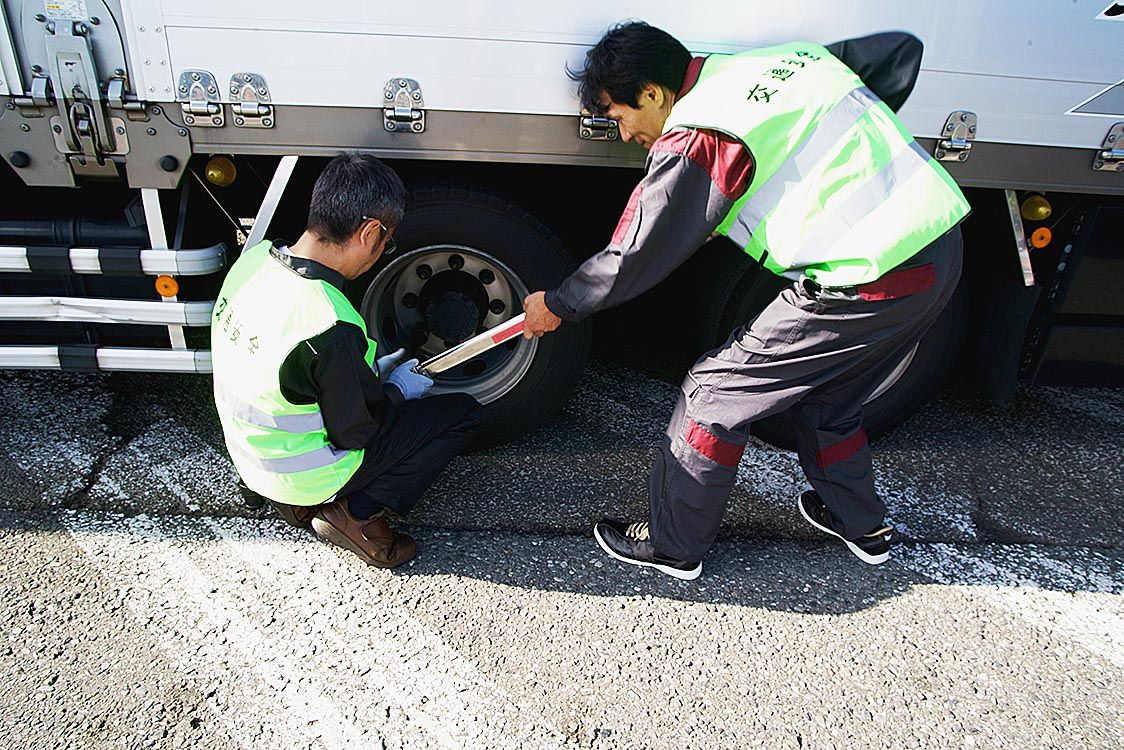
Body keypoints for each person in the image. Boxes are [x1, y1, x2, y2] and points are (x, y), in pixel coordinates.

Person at [523, 22, 969, 579]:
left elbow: (633, 254)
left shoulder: (701, 133)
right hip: (937, 247)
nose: (623, 133)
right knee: (829, 401)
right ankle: (862, 523)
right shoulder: (785, 62)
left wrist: (558, 304)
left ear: (653, 94)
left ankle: (673, 545)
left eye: (619, 116)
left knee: (713, 395)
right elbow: (899, 51)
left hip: (867, 278)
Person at [211, 153, 481, 568]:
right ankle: (353, 513)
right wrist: (396, 390)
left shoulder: (254, 261)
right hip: (304, 479)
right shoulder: (328, 322)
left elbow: (288, 372)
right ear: (369, 232)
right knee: (461, 414)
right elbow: (358, 432)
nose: (383, 251)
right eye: (386, 242)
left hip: (252, 460)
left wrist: (370, 373)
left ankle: (284, 496)